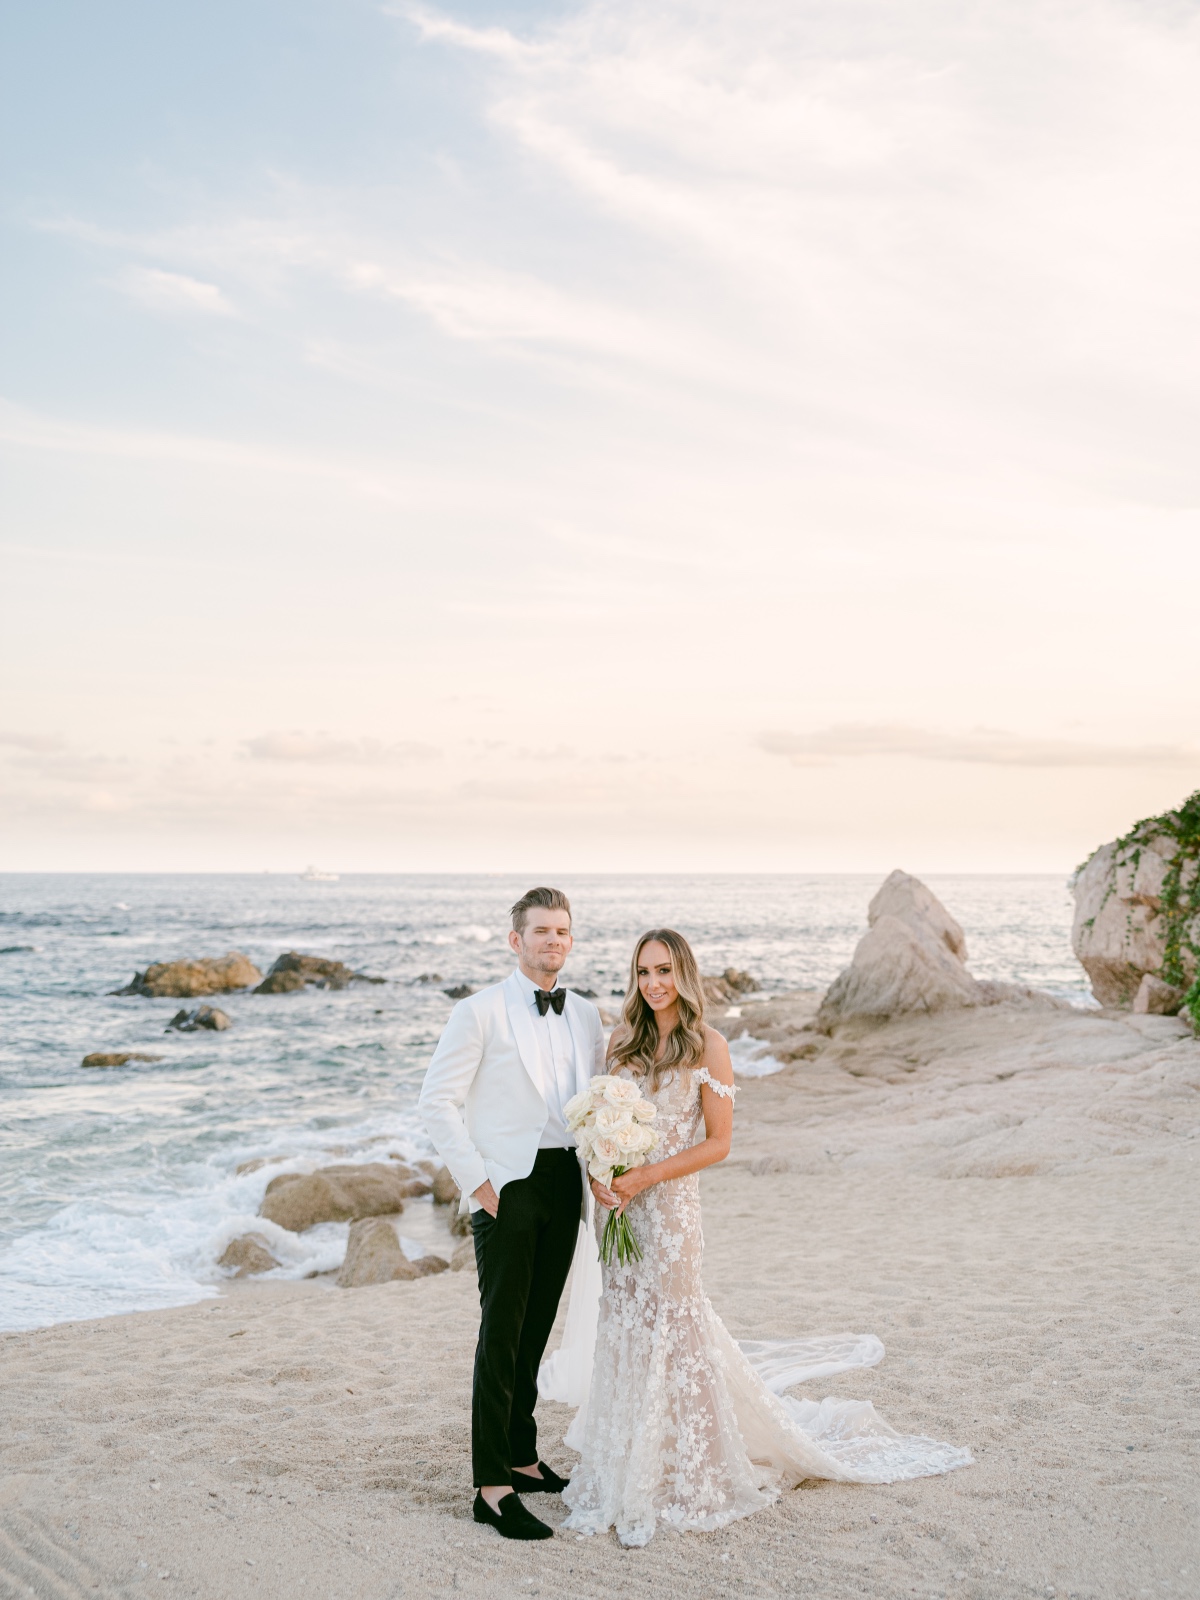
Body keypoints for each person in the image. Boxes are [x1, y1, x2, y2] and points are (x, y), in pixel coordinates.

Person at [559, 928, 972, 1547]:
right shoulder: (620, 1042)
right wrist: (601, 1174)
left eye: (665, 970)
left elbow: (718, 1143)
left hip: (670, 1210)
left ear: (685, 974)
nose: (653, 983)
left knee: (677, 1322)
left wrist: (645, 1175)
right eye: (644, 971)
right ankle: (630, 1459)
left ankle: (693, 1468)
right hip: (619, 1211)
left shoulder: (709, 1046)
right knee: (625, 1323)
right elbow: (597, 1121)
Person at [418, 887, 604, 1541]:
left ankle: (524, 1458)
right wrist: (480, 1184)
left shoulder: (584, 1014)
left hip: (564, 1182)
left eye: (563, 931)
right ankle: (492, 1488)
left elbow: (598, 1098)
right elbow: (435, 1102)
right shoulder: (479, 1012)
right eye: (541, 931)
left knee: (536, 1329)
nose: (553, 941)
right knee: (501, 1334)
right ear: (515, 940)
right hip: (508, 1186)